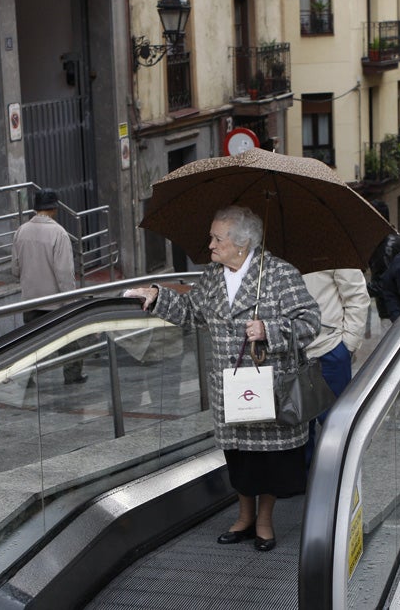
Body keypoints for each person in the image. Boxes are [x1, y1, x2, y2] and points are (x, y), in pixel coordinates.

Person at [125, 206, 320, 553]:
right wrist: (157, 296)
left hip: (268, 388)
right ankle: (244, 517)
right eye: (212, 237)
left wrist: (269, 329)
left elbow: (310, 321)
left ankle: (264, 521)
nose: (210, 245)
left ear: (241, 243)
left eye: (217, 238)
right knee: (239, 458)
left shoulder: (278, 274)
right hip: (229, 388)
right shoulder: (214, 276)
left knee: (267, 462)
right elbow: (191, 312)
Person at [10, 188, 85, 384]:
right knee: (67, 340)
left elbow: (15, 269)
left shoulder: (21, 231)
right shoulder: (58, 233)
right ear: (54, 209)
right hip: (54, 302)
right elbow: (64, 273)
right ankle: (72, 376)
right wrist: (71, 300)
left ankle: (26, 380)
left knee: (31, 343)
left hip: (30, 300)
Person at [301, 269, 370, 462]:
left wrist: (347, 345)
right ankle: (305, 487)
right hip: (290, 354)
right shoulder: (271, 248)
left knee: (336, 428)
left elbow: (356, 294)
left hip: (328, 350)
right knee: (298, 433)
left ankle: (338, 485)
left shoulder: (332, 243)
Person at [367, 200, 400, 321]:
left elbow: (385, 283)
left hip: (393, 312)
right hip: (394, 310)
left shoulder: (387, 246)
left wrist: (360, 290)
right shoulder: (391, 239)